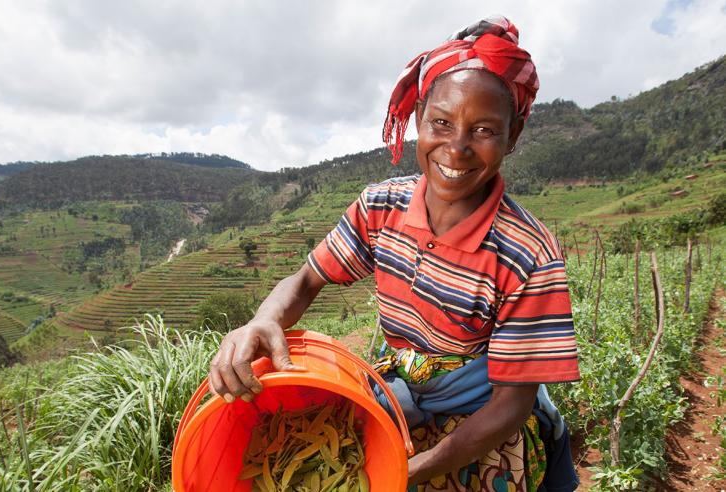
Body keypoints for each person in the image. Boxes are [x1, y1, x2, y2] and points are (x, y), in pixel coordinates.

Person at [209, 15, 580, 491]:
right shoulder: (381, 206)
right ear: (420, 117)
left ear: (514, 133)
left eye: (484, 129)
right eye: (441, 123)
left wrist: (413, 471)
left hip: (477, 425)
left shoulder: (527, 252)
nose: (457, 147)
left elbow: (511, 403)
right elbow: (305, 281)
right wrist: (263, 320)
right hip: (393, 392)